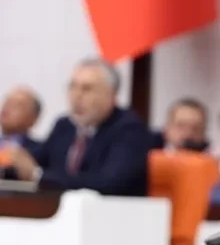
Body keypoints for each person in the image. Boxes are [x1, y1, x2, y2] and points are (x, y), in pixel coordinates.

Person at [3, 58, 150, 196]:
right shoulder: (65, 126)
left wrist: (39, 176)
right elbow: (34, 162)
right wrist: (11, 165)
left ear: (110, 95)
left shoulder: (129, 129)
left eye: (87, 89)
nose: (77, 96)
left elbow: (107, 183)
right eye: (72, 87)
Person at [0, 85, 42, 151]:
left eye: (16, 106)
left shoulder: (41, 152)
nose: (7, 108)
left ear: (32, 118)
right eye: (7, 103)